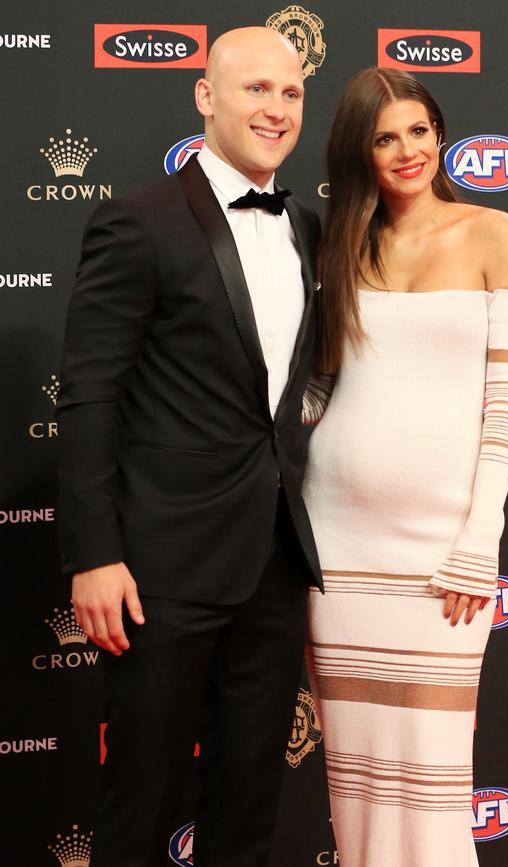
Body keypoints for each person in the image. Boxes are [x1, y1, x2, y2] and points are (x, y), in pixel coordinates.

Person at [56, 27, 322, 867]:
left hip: (274, 561)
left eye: (290, 92)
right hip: (160, 570)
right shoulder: (138, 220)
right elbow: (91, 393)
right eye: (254, 90)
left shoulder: (309, 230)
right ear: (206, 97)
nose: (275, 109)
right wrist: (94, 552)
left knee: (248, 802)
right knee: (138, 799)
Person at [303, 68, 508, 867]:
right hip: (337, 539)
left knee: (435, 772)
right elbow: (319, 389)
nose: (407, 151)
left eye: (419, 131)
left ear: (441, 134)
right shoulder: (341, 242)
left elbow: (506, 403)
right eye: (384, 137)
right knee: (355, 773)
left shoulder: (492, 232)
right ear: (359, 152)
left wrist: (482, 532)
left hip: (441, 545)